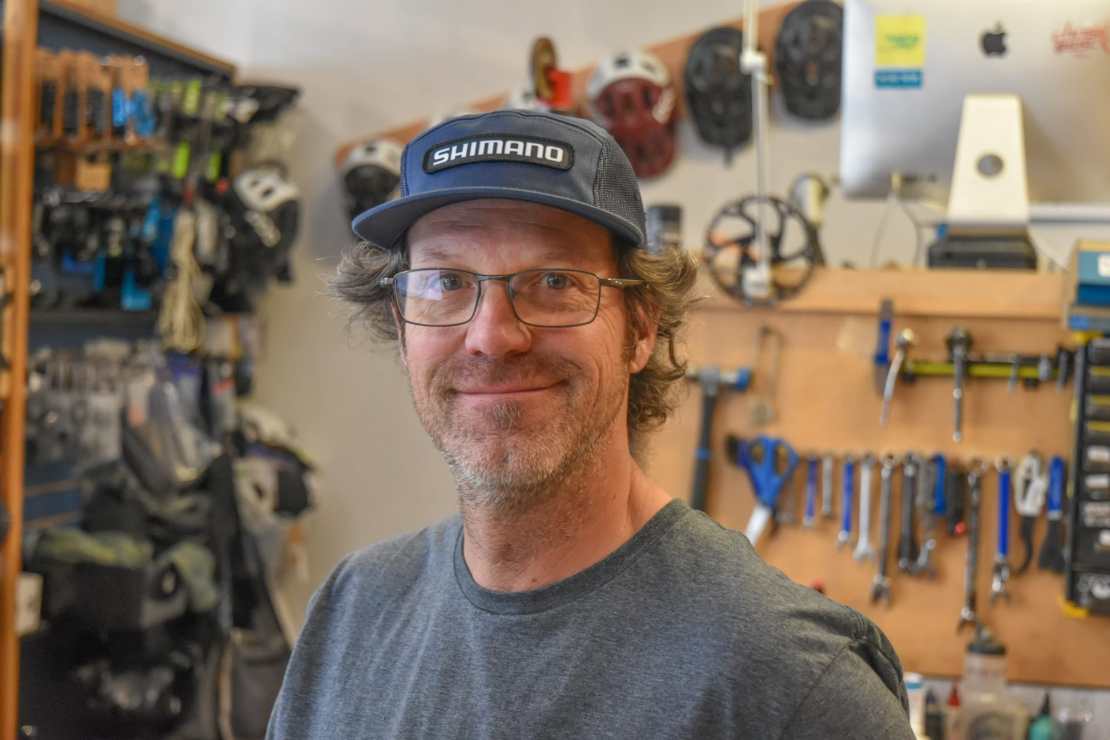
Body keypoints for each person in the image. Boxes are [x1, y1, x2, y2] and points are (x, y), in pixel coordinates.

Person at [267, 110, 914, 739]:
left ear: (639, 328)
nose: (492, 337)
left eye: (553, 279)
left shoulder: (792, 684)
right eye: (446, 282)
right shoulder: (351, 612)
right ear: (403, 326)